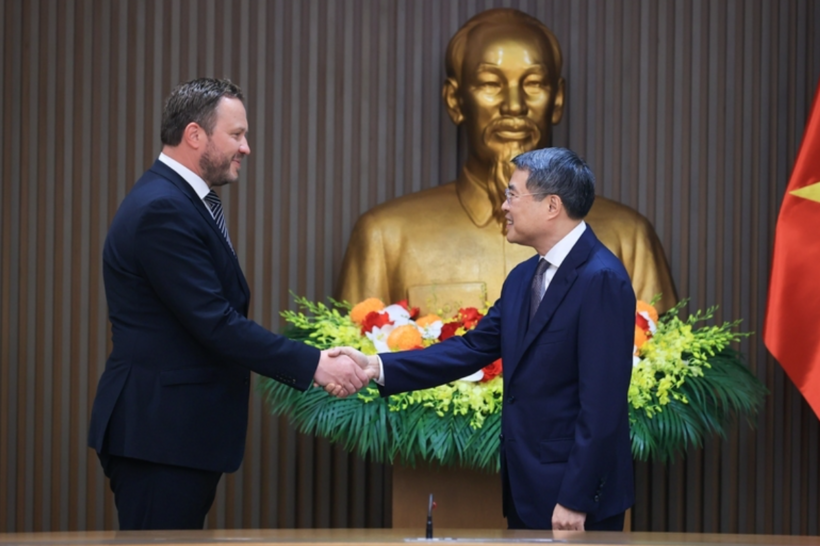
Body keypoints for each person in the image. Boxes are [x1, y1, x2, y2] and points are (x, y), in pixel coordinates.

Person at [87, 78, 371, 530]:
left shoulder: (180, 201)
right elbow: (216, 323)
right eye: (237, 135)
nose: (246, 148)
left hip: (173, 435)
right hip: (159, 436)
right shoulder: (163, 209)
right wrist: (315, 363)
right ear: (195, 135)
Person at [333, 147, 636, 531]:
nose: (504, 206)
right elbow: (473, 348)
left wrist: (575, 499)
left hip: (574, 501)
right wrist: (376, 366)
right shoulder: (524, 278)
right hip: (527, 491)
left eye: (512, 194)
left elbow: (602, 405)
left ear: (552, 206)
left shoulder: (601, 279)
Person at [336, 8, 676, 314]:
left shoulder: (627, 239)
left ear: (557, 99)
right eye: (490, 84)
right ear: (455, 101)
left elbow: (675, 375)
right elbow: (346, 377)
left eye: (533, 83)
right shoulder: (385, 238)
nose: (514, 105)